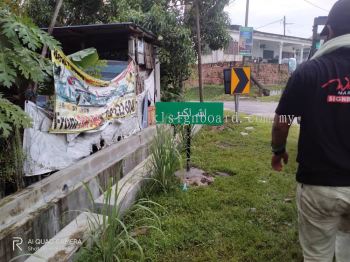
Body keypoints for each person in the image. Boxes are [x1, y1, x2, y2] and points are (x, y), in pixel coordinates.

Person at [271, 0, 350, 261]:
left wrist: (278, 150)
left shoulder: (309, 71)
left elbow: (282, 119)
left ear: (328, 31)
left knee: (317, 255)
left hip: (319, 186)